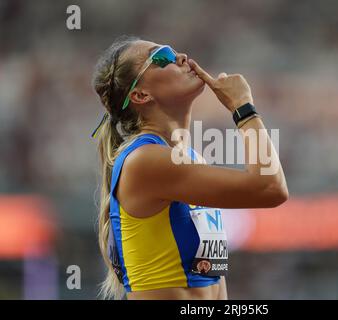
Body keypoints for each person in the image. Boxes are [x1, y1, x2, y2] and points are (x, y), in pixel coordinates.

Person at [92, 36, 289, 300]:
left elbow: (213, 282)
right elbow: (270, 188)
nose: (181, 57)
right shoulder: (145, 160)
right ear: (141, 94)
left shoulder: (191, 159)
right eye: (162, 57)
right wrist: (244, 108)